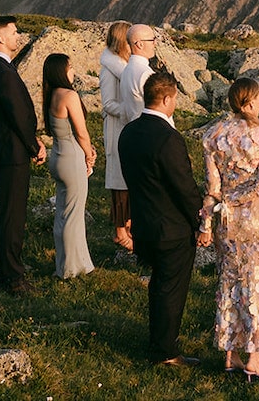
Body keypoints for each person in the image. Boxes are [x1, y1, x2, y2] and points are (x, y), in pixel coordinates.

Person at [118, 72, 207, 366]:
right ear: (168, 98)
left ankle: (157, 341)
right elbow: (184, 188)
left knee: (158, 286)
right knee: (171, 290)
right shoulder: (169, 138)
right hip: (171, 229)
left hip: (144, 224)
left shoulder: (128, 132)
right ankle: (165, 351)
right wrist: (201, 221)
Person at [200, 77, 259, 381]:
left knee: (230, 281)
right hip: (257, 219)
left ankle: (229, 354)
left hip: (226, 222)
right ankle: (254, 358)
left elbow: (211, 186)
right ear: (249, 103)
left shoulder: (214, 135)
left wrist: (207, 220)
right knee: (258, 284)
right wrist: (235, 200)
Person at [0, 14, 44, 294]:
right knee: (12, 216)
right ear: (0, 38)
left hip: (7, 149)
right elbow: (17, 114)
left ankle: (7, 271)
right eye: (15, 32)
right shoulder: (2, 71)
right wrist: (34, 145)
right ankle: (13, 277)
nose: (19, 36)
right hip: (11, 151)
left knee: (9, 213)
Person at [99, 21, 152, 252]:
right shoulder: (109, 68)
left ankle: (129, 226)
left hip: (129, 127)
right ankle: (121, 231)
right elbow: (108, 102)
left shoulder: (124, 66)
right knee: (120, 183)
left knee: (130, 180)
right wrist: (129, 110)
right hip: (118, 129)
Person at [43, 52, 96, 279]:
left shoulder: (50, 94)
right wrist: (90, 154)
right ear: (62, 71)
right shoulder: (69, 95)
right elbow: (81, 132)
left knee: (62, 214)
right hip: (71, 156)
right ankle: (72, 268)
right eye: (70, 66)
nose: (73, 70)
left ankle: (67, 264)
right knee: (74, 215)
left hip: (56, 155)